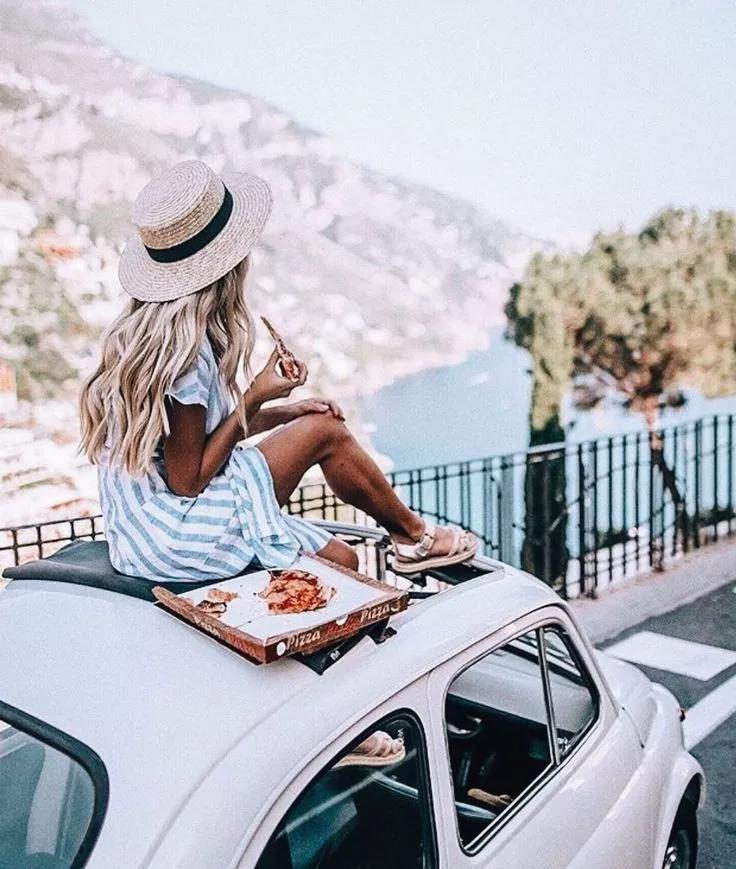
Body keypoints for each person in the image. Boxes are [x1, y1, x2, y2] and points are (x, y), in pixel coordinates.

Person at [79, 160, 478, 582]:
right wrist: (256, 395)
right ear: (227, 265)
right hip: (178, 534)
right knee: (325, 431)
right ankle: (414, 538)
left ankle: (407, 539)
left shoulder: (140, 340)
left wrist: (286, 412)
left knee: (343, 562)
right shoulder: (186, 358)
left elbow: (195, 443)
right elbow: (187, 481)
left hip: (141, 537)